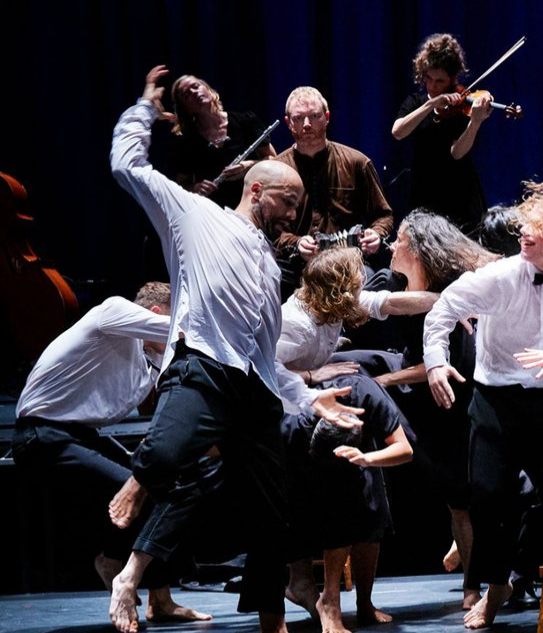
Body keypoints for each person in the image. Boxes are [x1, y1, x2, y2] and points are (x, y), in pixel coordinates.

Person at [108, 65, 364, 633]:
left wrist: (307, 398)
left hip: (252, 387)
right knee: (166, 455)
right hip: (203, 362)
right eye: (288, 201)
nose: (293, 215)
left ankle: (272, 622)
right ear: (256, 190)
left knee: (274, 515)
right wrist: (144, 110)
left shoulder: (267, 264)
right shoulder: (194, 216)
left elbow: (265, 351)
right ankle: (136, 499)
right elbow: (128, 167)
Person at [423, 181, 543, 628]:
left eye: (539, 226)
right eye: (526, 223)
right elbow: (443, 310)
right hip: (497, 397)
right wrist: (435, 362)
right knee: (489, 496)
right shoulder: (501, 276)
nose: (525, 232)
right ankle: (496, 588)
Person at [12, 282, 208, 625]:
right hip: (40, 435)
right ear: (154, 314)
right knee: (140, 491)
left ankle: (159, 600)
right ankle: (113, 562)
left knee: (163, 486)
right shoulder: (112, 312)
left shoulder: (149, 361)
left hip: (80, 435)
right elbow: (185, 331)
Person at [273, 247, 428, 632]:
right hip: (292, 415)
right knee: (327, 503)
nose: (364, 287)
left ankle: (360, 600)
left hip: (331, 406)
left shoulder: (334, 303)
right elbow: (263, 369)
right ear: (338, 289)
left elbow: (389, 303)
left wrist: (454, 300)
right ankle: (309, 588)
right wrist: (313, 376)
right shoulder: (294, 323)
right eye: (357, 282)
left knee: (369, 504)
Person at [362, 209, 497, 610]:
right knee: (353, 364)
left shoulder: (453, 291)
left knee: (461, 497)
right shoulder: (392, 282)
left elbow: (451, 363)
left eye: (400, 240)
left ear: (419, 249)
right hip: (412, 385)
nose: (392, 246)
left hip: (450, 396)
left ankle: (473, 585)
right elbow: (362, 303)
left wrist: (387, 381)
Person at [273, 87, 394, 296]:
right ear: (288, 122)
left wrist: (376, 234)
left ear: (327, 118)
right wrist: (296, 243)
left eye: (314, 116)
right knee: (269, 279)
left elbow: (383, 215)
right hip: (296, 266)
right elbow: (267, 228)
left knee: (374, 283)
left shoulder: (357, 162)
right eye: (298, 118)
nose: (307, 124)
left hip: (348, 264)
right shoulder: (276, 170)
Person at [392, 33, 491, 231]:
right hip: (424, 191)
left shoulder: (462, 107)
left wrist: (475, 121)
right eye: (428, 78)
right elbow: (398, 132)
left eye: (440, 81)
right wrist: (430, 104)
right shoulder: (416, 102)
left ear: (452, 79)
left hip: (459, 194)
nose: (432, 86)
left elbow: (457, 153)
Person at [169, 74, 276, 211]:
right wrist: (194, 188)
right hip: (215, 212)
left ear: (208, 89)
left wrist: (248, 166)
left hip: (254, 204)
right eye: (186, 95)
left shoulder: (245, 121)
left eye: (196, 86)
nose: (194, 93)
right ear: (185, 108)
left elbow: (274, 159)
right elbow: (181, 185)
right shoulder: (186, 142)